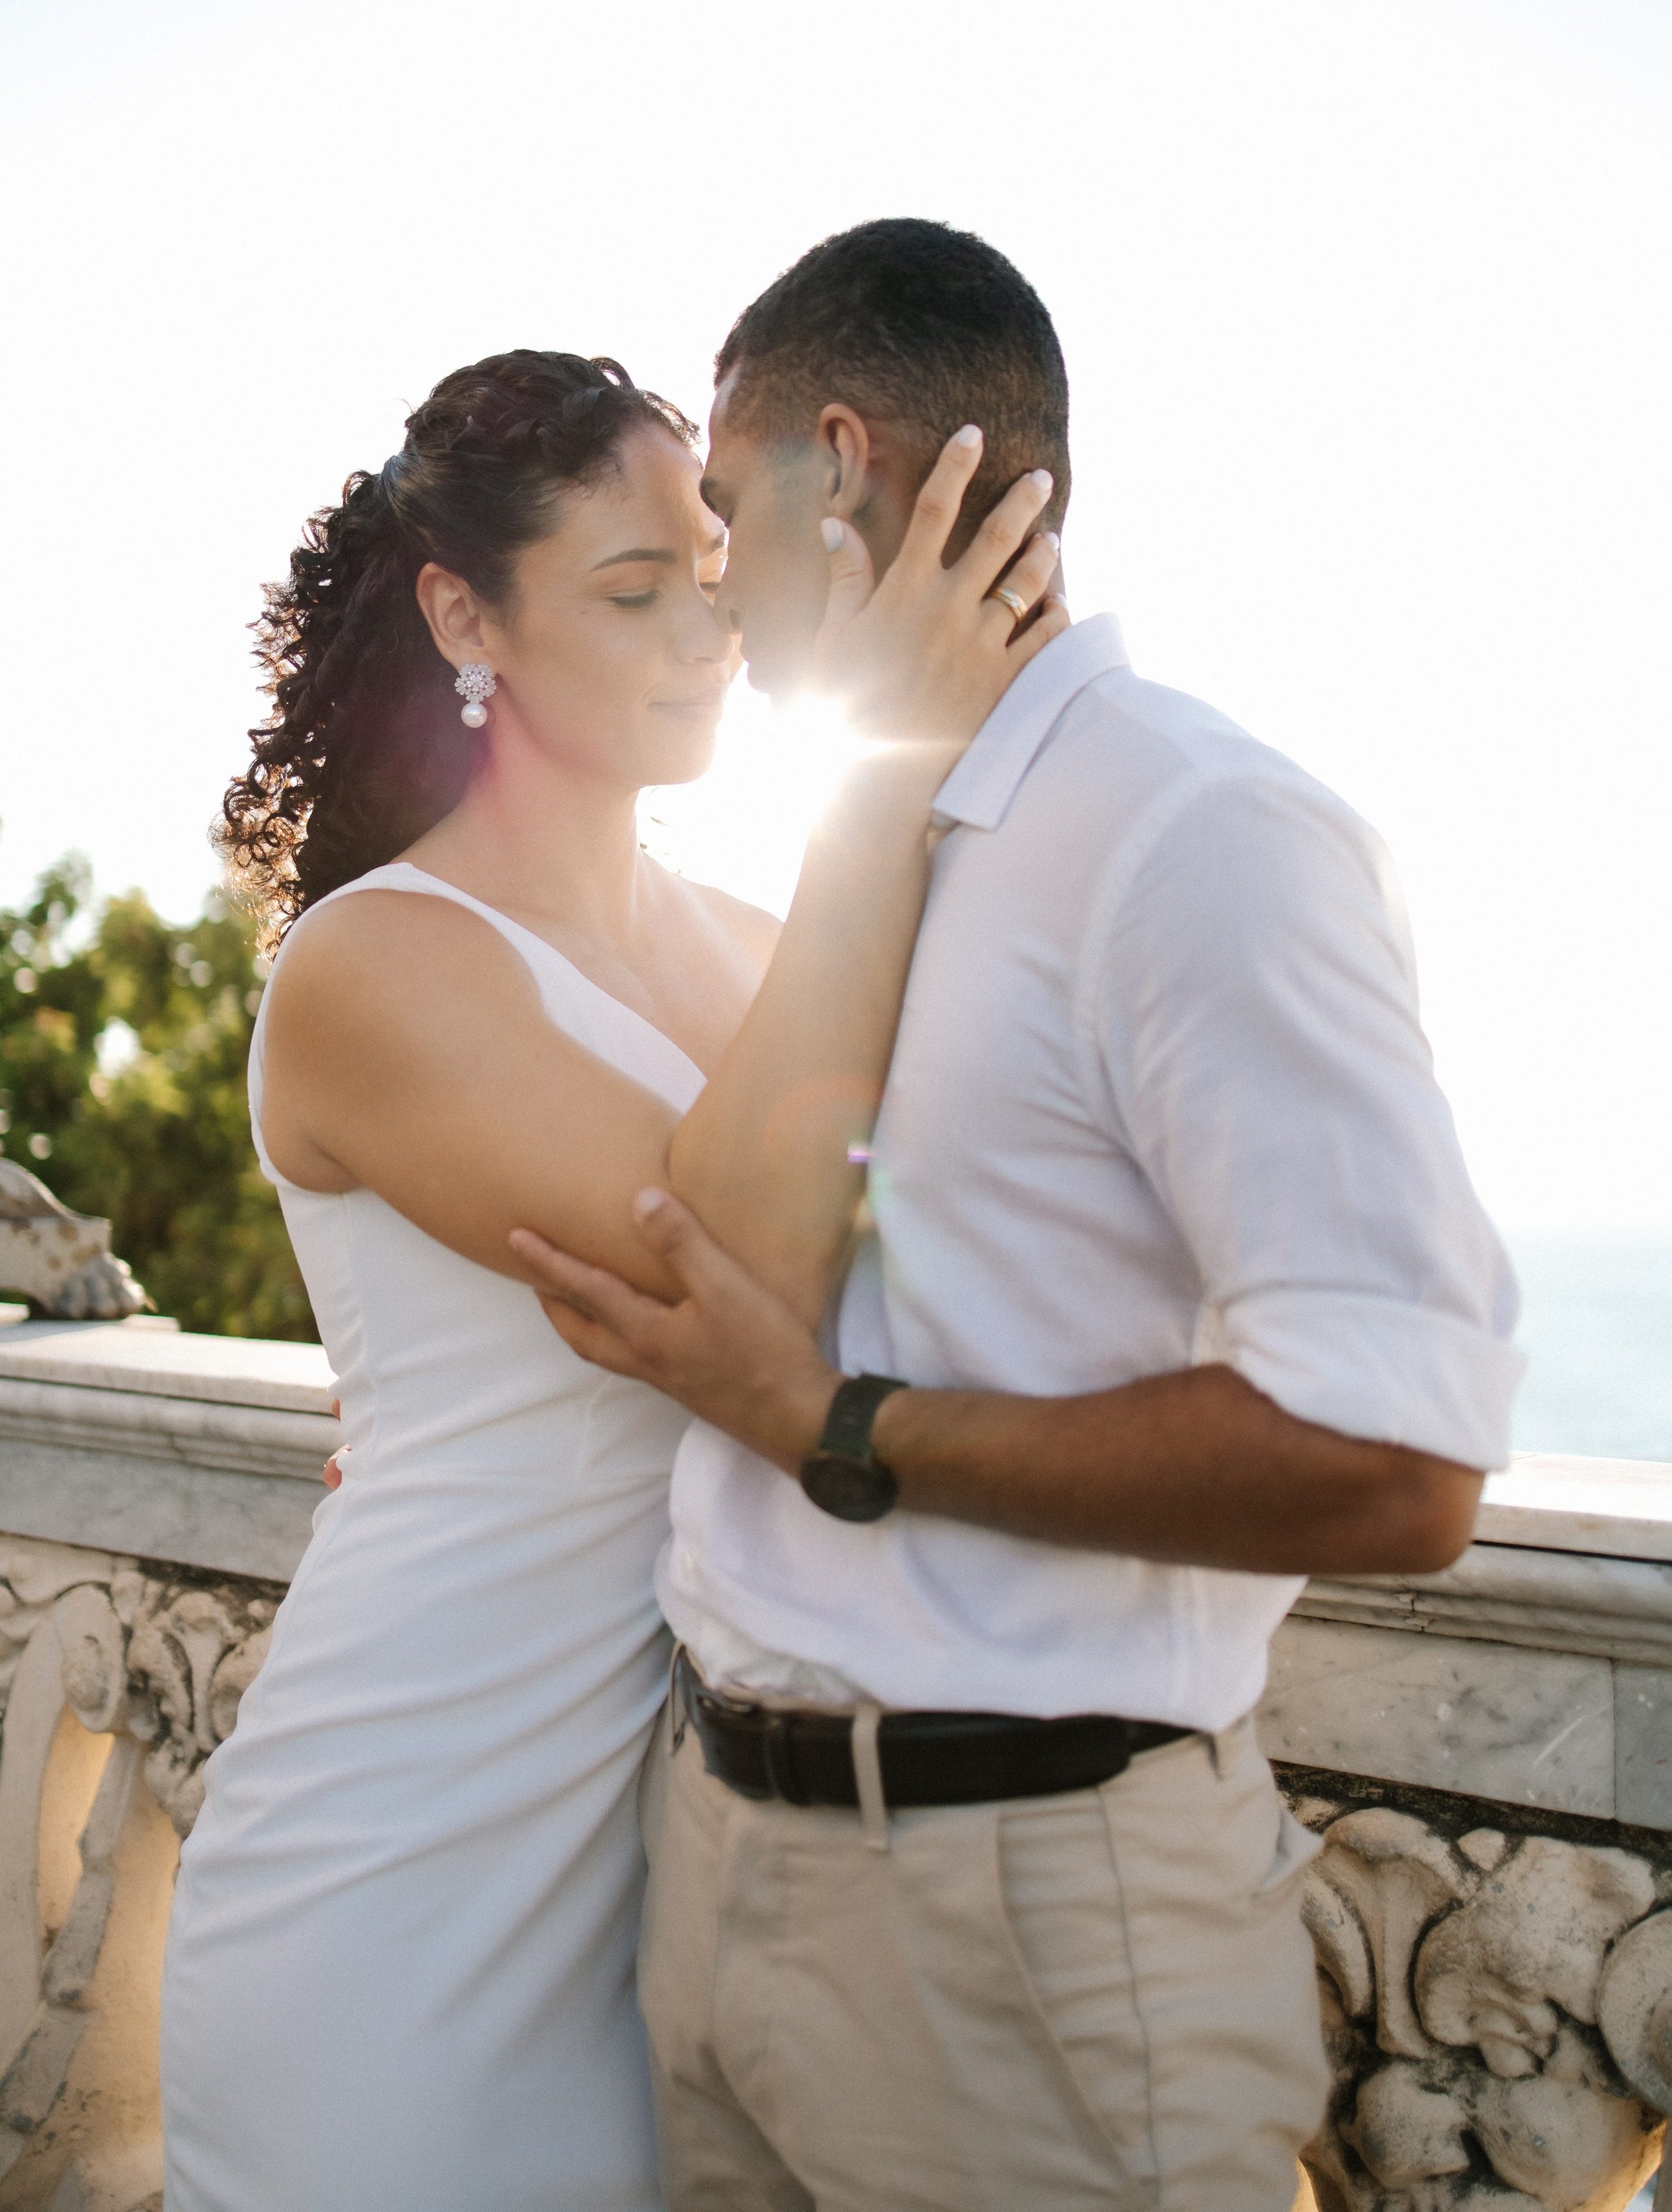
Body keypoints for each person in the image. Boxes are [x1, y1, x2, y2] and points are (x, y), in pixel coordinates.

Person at [510, 219, 1526, 2212]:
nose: (713, 578)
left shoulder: (1198, 830)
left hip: (1029, 1937)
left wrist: (843, 1429)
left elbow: (1402, 1465)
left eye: (725, 516)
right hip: (716, 1872)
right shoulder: (875, 839)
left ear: (840, 467)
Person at [159, 344, 1065, 2211]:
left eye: (713, 578)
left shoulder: (757, 944)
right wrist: (888, 777)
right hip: (405, 1865)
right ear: (463, 617)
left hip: (696, 1867)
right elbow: (736, 1271)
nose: (708, 635)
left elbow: (988, 1236)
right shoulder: (372, 966)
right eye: (634, 591)